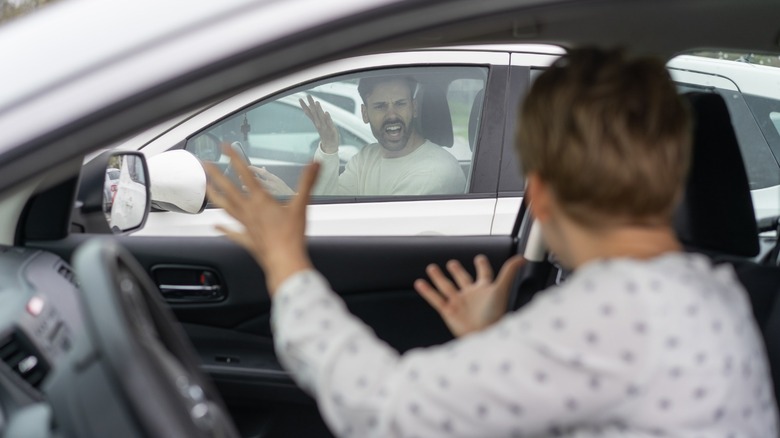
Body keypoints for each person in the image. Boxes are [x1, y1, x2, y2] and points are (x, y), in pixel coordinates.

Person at [205, 48, 778, 437]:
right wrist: (492, 340)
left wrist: (285, 265)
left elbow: (386, 412)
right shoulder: (713, 293)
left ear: (541, 193)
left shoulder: (616, 310)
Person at [253, 75, 467, 196]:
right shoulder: (368, 156)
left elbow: (376, 235)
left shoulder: (436, 171)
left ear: (414, 108)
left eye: (400, 104)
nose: (392, 115)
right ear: (365, 114)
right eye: (380, 106)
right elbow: (329, 203)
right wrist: (329, 147)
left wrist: (290, 200)